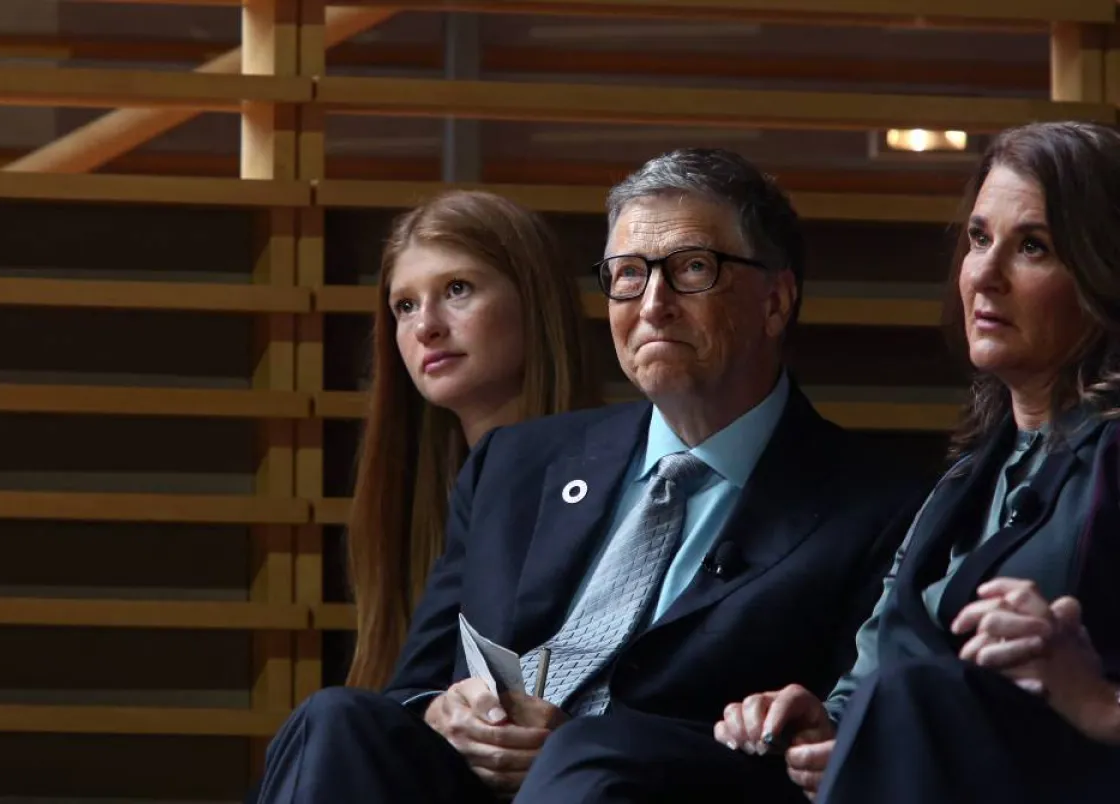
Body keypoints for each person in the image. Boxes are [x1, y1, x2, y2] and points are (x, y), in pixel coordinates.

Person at [252, 148, 921, 804]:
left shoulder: (878, 507)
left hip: (644, 786)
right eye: (628, 275)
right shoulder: (515, 464)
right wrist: (441, 713)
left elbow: (835, 749)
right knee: (334, 720)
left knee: (591, 754)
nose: (652, 303)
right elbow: (411, 689)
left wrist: (580, 745)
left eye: (691, 268)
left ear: (776, 301)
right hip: (469, 786)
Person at [714, 121, 1120, 804]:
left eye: (1034, 247)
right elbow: (880, 673)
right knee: (616, 751)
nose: (985, 274)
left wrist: (1099, 702)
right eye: (979, 239)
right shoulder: (966, 477)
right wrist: (834, 728)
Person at [344, 190, 600, 690]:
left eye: (457, 289)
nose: (426, 327)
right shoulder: (407, 505)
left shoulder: (629, 478)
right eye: (405, 306)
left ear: (535, 300)